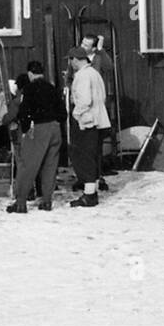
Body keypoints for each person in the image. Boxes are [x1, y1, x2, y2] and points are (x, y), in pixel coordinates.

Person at [6, 61, 66, 214]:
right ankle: (47, 201)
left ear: (30, 74)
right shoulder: (52, 88)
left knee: (28, 166)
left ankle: (20, 202)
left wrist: (26, 129)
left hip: (39, 129)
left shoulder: (29, 88)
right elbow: (63, 113)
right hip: (55, 128)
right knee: (50, 166)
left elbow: (24, 112)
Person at [67, 46, 110, 208]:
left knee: (83, 156)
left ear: (75, 60)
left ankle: (89, 194)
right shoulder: (95, 74)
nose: (70, 64)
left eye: (71, 60)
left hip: (86, 122)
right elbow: (102, 97)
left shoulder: (83, 76)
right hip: (98, 120)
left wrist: (76, 114)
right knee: (91, 155)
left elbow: (84, 100)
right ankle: (91, 190)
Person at [81, 33, 115, 191]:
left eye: (86, 45)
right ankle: (85, 176)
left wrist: (101, 51)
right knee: (83, 144)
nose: (82, 47)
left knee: (96, 144)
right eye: (82, 43)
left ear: (94, 47)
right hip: (82, 105)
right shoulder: (76, 57)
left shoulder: (99, 58)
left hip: (97, 106)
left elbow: (109, 67)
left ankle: (97, 176)